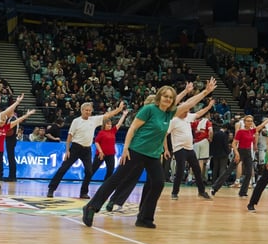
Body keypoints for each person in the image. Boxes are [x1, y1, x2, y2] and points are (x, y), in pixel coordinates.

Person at [82, 79, 217, 229]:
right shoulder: (149, 109)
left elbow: (188, 104)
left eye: (170, 97)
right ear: (159, 97)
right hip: (136, 151)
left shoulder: (169, 113)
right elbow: (132, 128)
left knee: (158, 183)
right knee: (116, 179)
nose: (168, 99)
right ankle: (91, 207)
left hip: (153, 155)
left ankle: (144, 218)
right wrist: (126, 148)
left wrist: (205, 92)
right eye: (165, 96)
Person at [47, 101, 126, 199]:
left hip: (87, 149)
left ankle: (83, 192)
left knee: (89, 171)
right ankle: (51, 189)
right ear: (82, 111)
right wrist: (67, 150)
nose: (88, 112)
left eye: (90, 110)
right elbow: (69, 136)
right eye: (86, 110)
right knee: (63, 168)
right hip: (75, 147)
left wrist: (118, 109)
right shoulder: (76, 121)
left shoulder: (94, 120)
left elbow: (108, 115)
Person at [210, 112, 268, 197]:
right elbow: (234, 144)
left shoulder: (252, 131)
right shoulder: (240, 132)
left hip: (248, 152)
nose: (249, 122)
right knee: (228, 171)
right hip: (240, 151)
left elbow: (261, 125)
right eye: (248, 121)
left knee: (249, 173)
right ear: (244, 122)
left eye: (251, 121)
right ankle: (214, 188)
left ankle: (243, 192)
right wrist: (237, 153)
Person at [166, 98, 215, 200]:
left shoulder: (188, 117)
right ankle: (175, 192)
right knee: (180, 170)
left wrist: (209, 106)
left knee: (197, 170)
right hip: (179, 149)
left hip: (189, 149)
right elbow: (164, 135)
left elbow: (199, 113)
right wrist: (166, 149)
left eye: (188, 110)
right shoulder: (173, 120)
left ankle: (201, 191)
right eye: (185, 111)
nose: (187, 113)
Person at [82, 109, 129, 194]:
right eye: (108, 124)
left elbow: (119, 124)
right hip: (101, 155)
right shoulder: (101, 133)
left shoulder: (112, 131)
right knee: (91, 171)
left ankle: (105, 189)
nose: (110, 126)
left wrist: (124, 115)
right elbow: (96, 142)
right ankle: (84, 189)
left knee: (110, 171)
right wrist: (100, 151)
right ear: (104, 125)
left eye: (110, 124)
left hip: (111, 154)